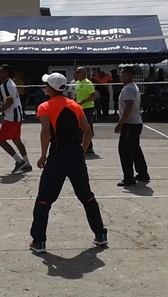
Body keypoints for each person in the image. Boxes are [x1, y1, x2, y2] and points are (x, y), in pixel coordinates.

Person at [29, 73, 108, 253]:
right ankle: (100, 234)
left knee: (44, 199)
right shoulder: (75, 106)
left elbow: (46, 132)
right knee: (87, 196)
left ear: (50, 89)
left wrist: (42, 156)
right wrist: (81, 151)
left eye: (46, 85)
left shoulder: (44, 107)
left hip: (57, 156)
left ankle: (39, 241)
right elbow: (88, 132)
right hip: (75, 155)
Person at [0, 65, 32, 174]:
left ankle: (19, 161)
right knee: (16, 140)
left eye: (0, 71)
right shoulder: (10, 83)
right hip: (17, 115)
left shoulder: (6, 85)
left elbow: (10, 101)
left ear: (6, 73)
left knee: (1, 141)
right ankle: (27, 164)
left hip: (11, 116)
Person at [115, 66, 149, 187]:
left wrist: (120, 123)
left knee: (124, 150)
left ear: (129, 75)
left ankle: (128, 177)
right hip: (135, 123)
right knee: (135, 149)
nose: (120, 76)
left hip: (130, 124)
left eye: (122, 74)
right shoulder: (130, 87)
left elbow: (128, 107)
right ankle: (143, 173)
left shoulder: (129, 89)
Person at [73, 67, 98, 155]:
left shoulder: (87, 83)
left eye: (79, 72)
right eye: (76, 72)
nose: (77, 74)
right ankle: (82, 145)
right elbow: (76, 95)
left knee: (86, 127)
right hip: (79, 108)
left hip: (87, 108)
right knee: (79, 128)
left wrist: (83, 102)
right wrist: (73, 103)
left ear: (84, 73)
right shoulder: (77, 83)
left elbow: (93, 96)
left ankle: (89, 147)